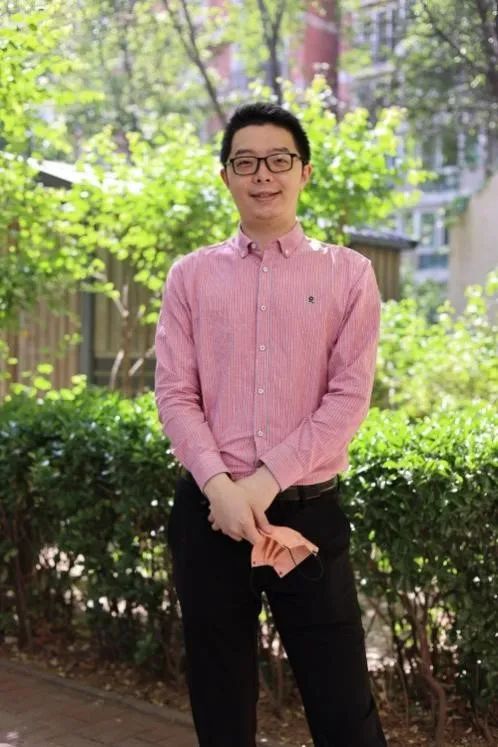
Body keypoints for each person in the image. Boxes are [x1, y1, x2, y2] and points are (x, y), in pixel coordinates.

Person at [154, 102, 387, 747]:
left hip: (307, 515)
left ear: (304, 172)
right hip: (211, 517)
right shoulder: (190, 276)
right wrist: (220, 488)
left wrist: (260, 485)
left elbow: (348, 399)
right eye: (246, 162)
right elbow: (174, 393)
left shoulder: (349, 274)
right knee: (221, 702)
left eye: (279, 159)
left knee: (344, 707)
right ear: (225, 175)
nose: (263, 174)